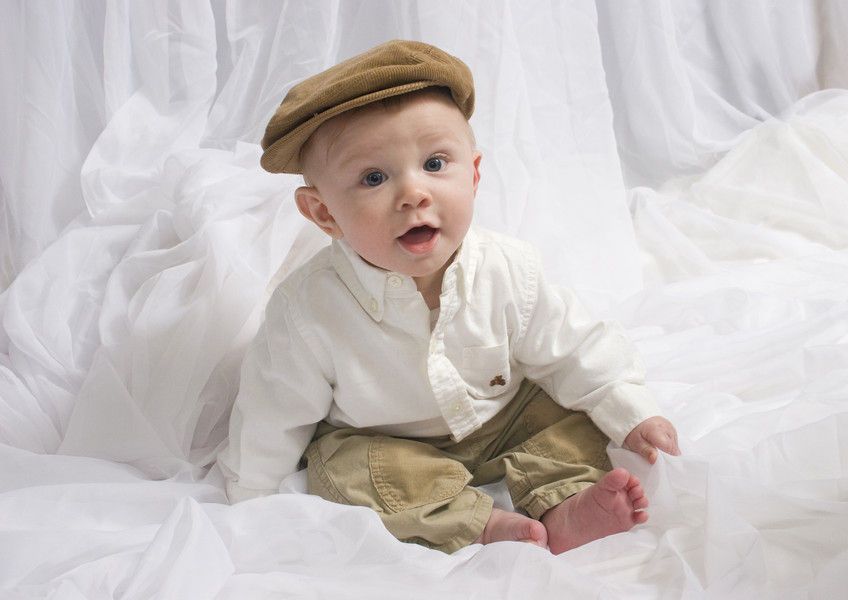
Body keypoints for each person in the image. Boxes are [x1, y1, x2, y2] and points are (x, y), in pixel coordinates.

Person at [217, 39, 680, 554]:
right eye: (374, 177)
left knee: (565, 417)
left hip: (506, 420)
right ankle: (480, 523)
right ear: (323, 214)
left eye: (435, 164)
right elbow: (273, 408)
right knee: (340, 469)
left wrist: (631, 411)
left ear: (475, 175)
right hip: (391, 444)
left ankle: (564, 501)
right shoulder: (307, 308)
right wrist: (253, 499)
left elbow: (576, 347)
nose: (415, 193)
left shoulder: (508, 268)